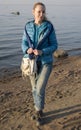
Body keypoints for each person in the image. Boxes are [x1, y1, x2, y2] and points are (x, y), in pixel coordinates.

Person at [21, 2, 58, 126]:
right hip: (32, 63)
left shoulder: (49, 27)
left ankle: (38, 113)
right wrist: (27, 50)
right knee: (34, 89)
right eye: (39, 11)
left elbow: (54, 45)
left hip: (46, 62)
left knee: (39, 88)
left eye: (43, 12)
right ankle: (39, 110)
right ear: (33, 12)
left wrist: (42, 51)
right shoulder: (27, 26)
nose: (41, 14)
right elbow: (23, 43)